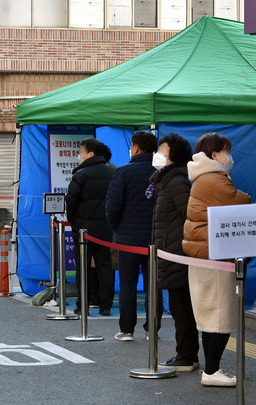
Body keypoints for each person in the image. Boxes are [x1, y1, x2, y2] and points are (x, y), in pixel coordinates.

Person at [183, 132, 251, 386]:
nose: (229, 157)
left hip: (203, 252)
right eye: (226, 151)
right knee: (221, 313)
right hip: (215, 253)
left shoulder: (202, 176)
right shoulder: (214, 178)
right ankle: (212, 371)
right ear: (215, 155)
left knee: (210, 314)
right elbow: (241, 200)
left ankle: (211, 368)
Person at [148, 134, 199, 372]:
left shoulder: (177, 181)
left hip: (177, 252)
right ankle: (185, 353)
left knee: (182, 307)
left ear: (173, 155)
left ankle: (186, 356)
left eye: (162, 150)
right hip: (171, 251)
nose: (157, 154)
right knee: (179, 306)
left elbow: (189, 215)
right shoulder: (166, 180)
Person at [106, 131, 163, 341]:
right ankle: (152, 330)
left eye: (131, 146)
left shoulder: (123, 172)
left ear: (136, 148)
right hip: (155, 239)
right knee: (153, 285)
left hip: (128, 238)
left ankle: (127, 329)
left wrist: (117, 228)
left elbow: (113, 206)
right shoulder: (162, 173)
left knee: (127, 284)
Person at [66, 138, 116, 316]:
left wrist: (73, 221)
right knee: (105, 265)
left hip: (83, 229)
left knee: (83, 267)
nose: (79, 155)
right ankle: (106, 305)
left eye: (81, 152)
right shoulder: (112, 174)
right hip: (105, 227)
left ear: (91, 154)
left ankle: (83, 305)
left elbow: (71, 201)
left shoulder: (81, 174)